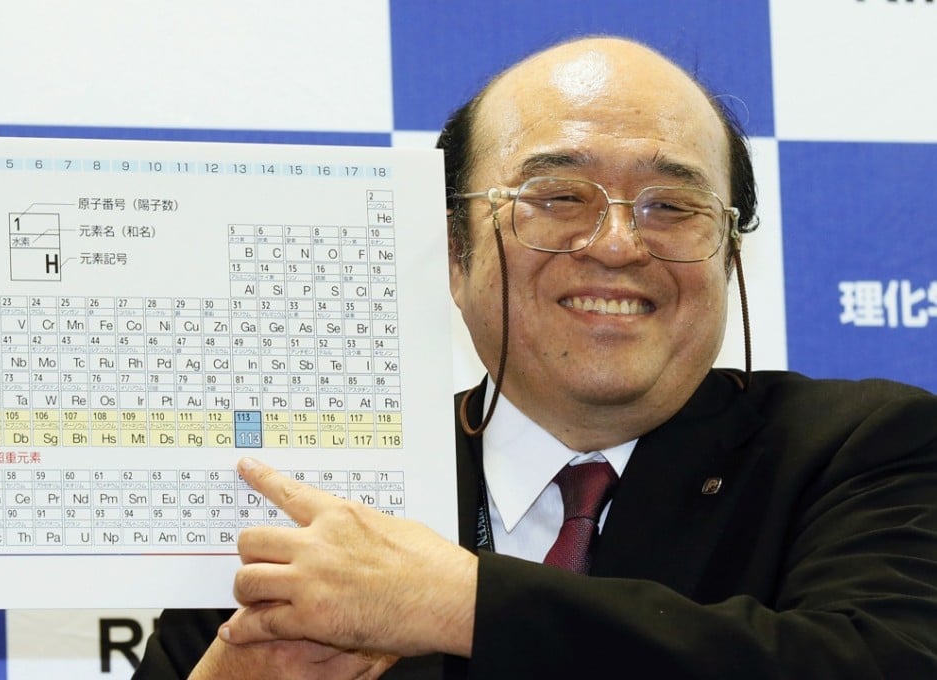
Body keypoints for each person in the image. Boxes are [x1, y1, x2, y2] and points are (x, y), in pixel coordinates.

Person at [134, 36, 937, 678]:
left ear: (728, 255)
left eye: (672, 206)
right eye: (559, 198)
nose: (619, 244)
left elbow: (882, 661)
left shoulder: (861, 449)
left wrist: (462, 604)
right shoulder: (314, 504)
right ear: (453, 252)